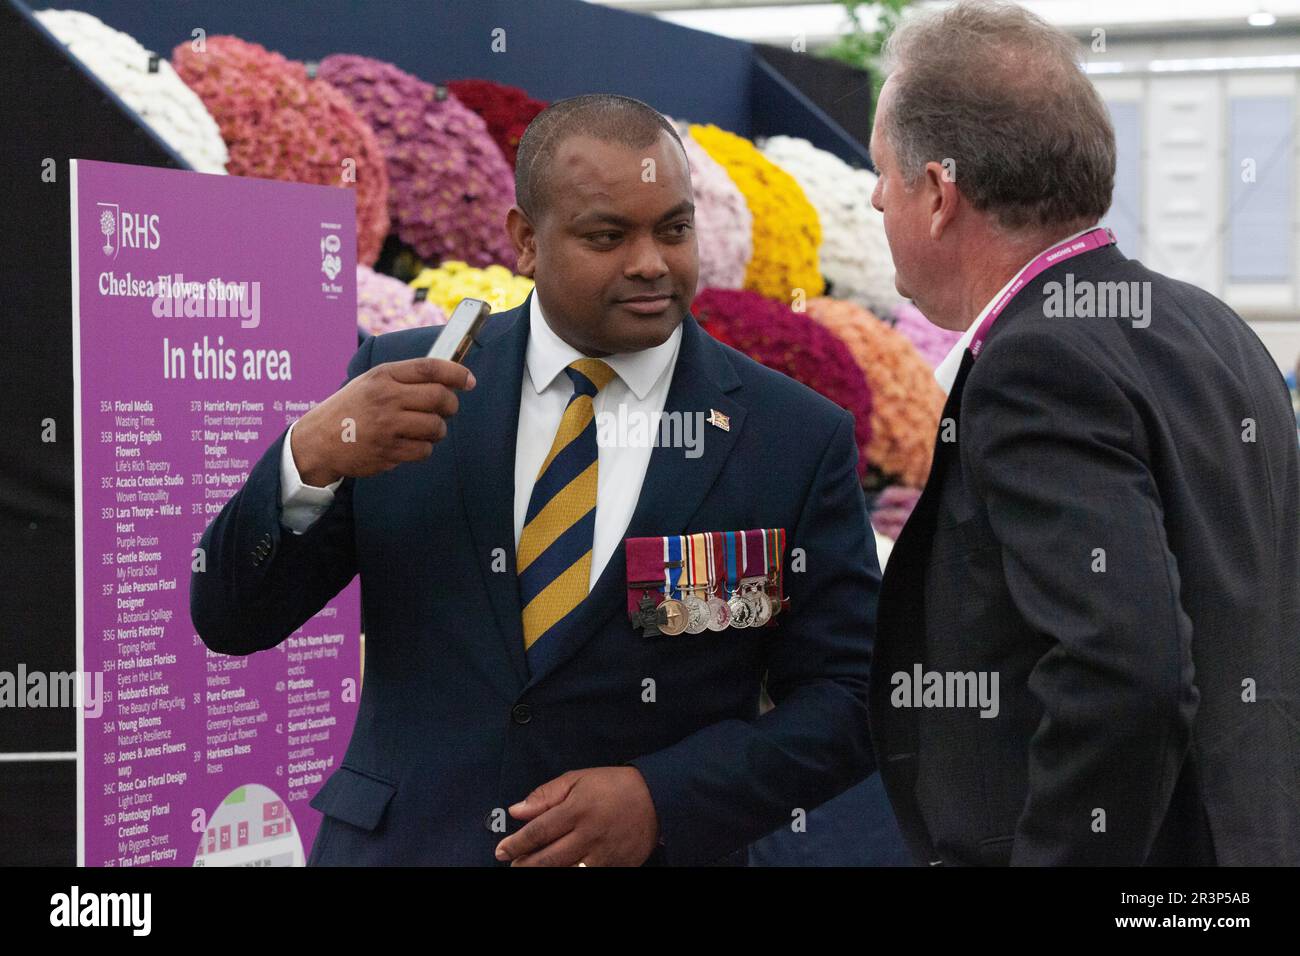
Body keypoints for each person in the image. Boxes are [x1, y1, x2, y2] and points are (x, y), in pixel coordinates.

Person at [190, 94, 879, 866]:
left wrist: (664, 798)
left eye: (674, 229)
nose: (651, 261)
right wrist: (306, 455)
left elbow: (849, 698)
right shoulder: (406, 388)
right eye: (607, 235)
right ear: (525, 240)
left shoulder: (791, 437)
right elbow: (231, 619)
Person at [866, 0, 1300, 865]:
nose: (875, 198)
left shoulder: (1039, 364)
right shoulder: (1210, 325)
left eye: (882, 173)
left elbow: (1126, 675)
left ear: (941, 193)